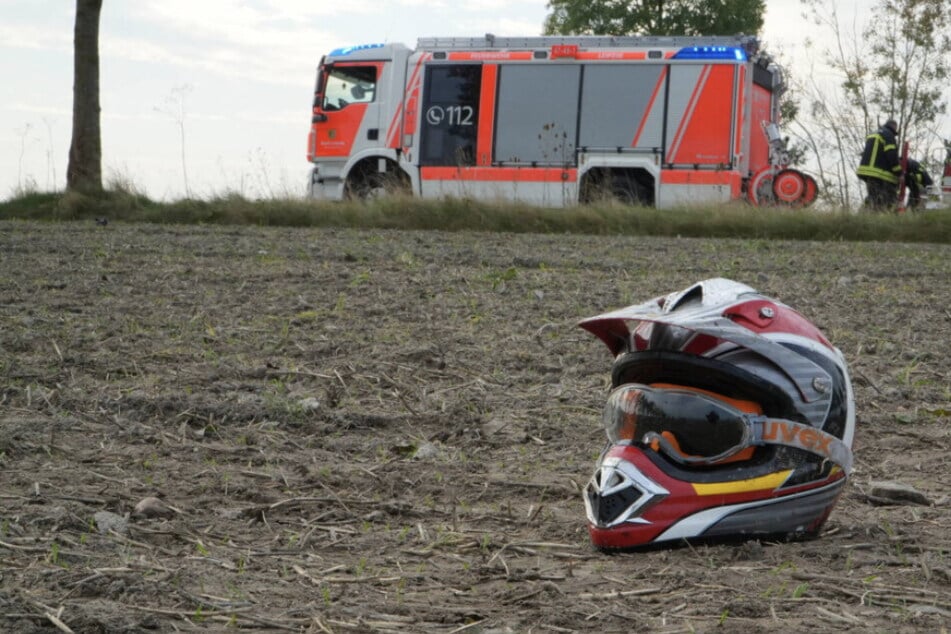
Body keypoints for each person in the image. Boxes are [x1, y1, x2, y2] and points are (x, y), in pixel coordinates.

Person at [856, 119, 902, 212]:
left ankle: (862, 216)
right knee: (885, 199)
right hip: (879, 173)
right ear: (894, 127)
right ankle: (878, 217)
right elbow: (891, 154)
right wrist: (899, 172)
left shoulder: (874, 133)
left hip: (866, 171)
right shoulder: (889, 134)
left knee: (873, 197)